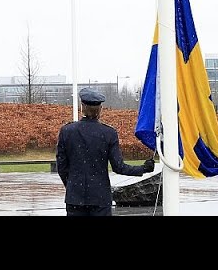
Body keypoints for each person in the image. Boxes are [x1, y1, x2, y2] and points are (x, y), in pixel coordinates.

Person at [55, 88, 155, 216]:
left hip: (75, 197)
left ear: (82, 107)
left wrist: (71, 185)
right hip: (100, 197)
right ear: (100, 109)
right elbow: (119, 167)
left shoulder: (67, 131)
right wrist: (143, 169)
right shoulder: (108, 133)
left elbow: (61, 167)